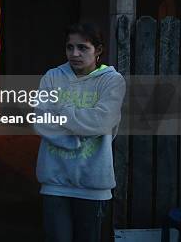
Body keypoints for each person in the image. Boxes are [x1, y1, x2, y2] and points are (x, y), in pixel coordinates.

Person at [34, 22, 126, 242]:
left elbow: (103, 120)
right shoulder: (52, 77)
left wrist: (62, 111)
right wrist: (76, 138)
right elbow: (40, 120)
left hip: (93, 182)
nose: (74, 54)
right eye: (69, 47)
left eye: (83, 48)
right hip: (55, 181)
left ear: (99, 50)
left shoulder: (112, 81)